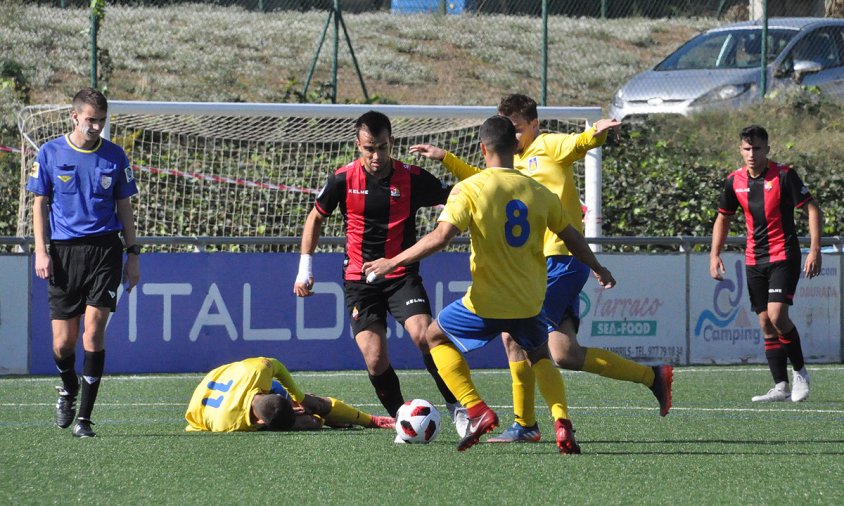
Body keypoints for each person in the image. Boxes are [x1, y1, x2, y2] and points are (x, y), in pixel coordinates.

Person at [409, 93, 673, 444]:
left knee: (514, 336)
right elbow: (485, 180)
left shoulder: (549, 145)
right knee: (564, 353)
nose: (514, 137)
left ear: (534, 124)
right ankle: (652, 376)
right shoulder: (512, 163)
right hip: (549, 263)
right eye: (509, 131)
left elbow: (577, 143)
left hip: (559, 259)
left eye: (518, 129)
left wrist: (596, 132)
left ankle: (526, 423)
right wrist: (448, 159)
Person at [364, 115, 616, 453]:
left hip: (485, 302)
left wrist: (392, 261)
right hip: (528, 302)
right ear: (515, 147)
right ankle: (561, 423)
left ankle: (476, 408)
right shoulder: (539, 191)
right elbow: (572, 237)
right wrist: (598, 267)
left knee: (434, 336)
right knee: (539, 353)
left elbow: (439, 238)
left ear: (482, 149)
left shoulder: (469, 188)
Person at [292, 110, 469, 438]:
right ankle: (404, 420)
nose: (376, 156)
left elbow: (459, 194)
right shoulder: (343, 179)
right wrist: (305, 269)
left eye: (383, 148)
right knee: (374, 358)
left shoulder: (412, 177)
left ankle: (457, 406)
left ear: (392, 143)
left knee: (425, 335)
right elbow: (315, 218)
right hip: (360, 281)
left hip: (401, 275)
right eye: (369, 149)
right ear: (357, 145)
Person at [26, 87, 141, 438]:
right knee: (63, 344)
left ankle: (85, 420)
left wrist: (133, 254)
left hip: (105, 251)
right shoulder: (50, 152)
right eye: (91, 120)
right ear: (74, 116)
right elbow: (39, 204)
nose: (96, 128)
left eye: (101, 122)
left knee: (93, 332)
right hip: (63, 253)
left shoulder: (115, 156)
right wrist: (41, 250)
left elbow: (125, 207)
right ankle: (68, 386)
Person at [710, 125, 822, 403]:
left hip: (784, 255)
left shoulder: (784, 175)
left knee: (777, 315)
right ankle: (780, 386)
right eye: (747, 149)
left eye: (757, 148)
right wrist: (714, 255)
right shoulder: (733, 181)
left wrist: (815, 250)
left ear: (767, 149)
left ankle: (800, 374)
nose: (751, 154)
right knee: (765, 323)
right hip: (753, 259)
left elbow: (812, 209)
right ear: (740, 150)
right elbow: (723, 218)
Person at [185, 357, 395, 432]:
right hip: (212, 397)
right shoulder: (230, 425)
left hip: (229, 376)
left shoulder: (260, 370)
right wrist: (320, 421)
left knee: (312, 404)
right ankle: (328, 419)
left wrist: (300, 397)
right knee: (311, 422)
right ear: (260, 422)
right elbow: (196, 425)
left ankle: (373, 420)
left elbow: (276, 364)